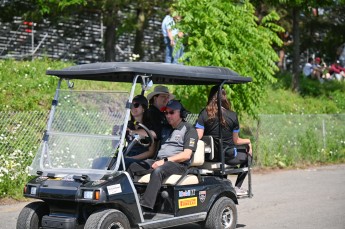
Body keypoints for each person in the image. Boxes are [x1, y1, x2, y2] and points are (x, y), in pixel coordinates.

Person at [127, 100, 198, 210]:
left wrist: (164, 161)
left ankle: (145, 207)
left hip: (179, 165)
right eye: (166, 113)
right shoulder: (165, 128)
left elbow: (186, 155)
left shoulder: (189, 129)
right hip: (160, 161)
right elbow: (150, 133)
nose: (168, 115)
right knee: (131, 166)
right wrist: (132, 131)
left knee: (158, 171)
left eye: (171, 112)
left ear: (181, 114)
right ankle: (128, 200)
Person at [195, 86, 252, 196]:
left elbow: (199, 135)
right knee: (248, 155)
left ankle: (222, 184)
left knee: (225, 151)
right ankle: (237, 187)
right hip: (227, 156)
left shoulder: (204, 113)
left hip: (209, 157)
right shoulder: (232, 116)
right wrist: (248, 141)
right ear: (224, 97)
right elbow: (236, 140)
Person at [124, 95, 156, 168]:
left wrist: (132, 158)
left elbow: (151, 152)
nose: (133, 108)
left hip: (141, 159)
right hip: (126, 155)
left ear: (143, 108)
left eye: (136, 105)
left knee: (124, 163)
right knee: (101, 161)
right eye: (131, 105)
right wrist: (115, 133)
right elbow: (114, 145)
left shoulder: (150, 126)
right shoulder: (128, 124)